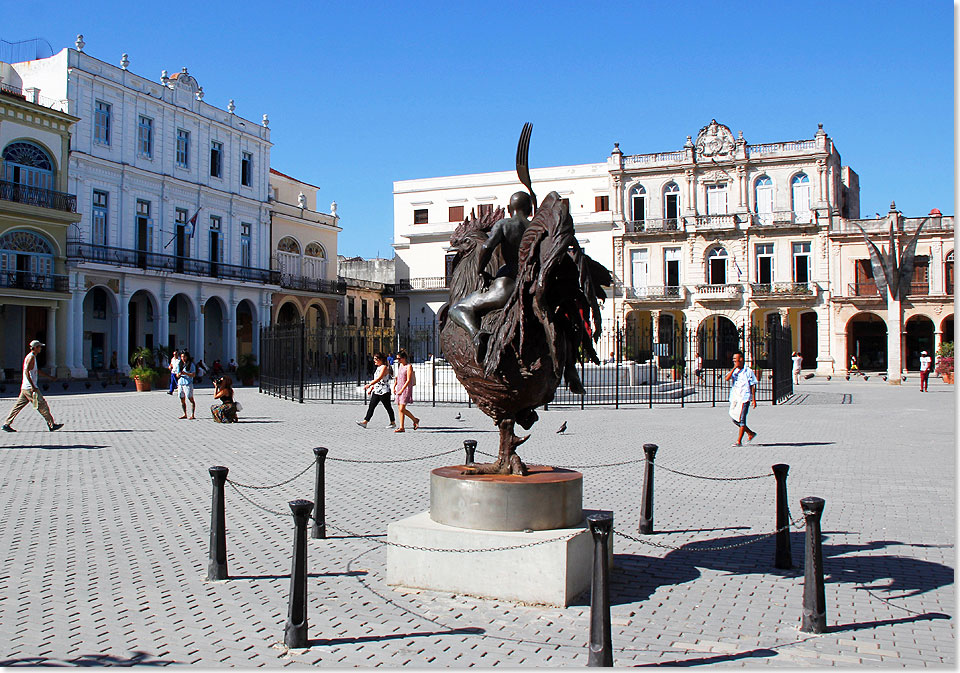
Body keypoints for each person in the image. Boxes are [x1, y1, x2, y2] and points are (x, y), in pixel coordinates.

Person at [448, 190, 532, 362]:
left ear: (509, 209)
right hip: (529, 282)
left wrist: (480, 271)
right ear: (530, 209)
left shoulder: (505, 224)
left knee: (456, 309)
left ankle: (477, 335)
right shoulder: (536, 228)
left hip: (507, 285)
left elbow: (486, 247)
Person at [3, 340, 63, 433]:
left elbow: (36, 371)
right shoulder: (31, 358)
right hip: (30, 388)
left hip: (25, 388)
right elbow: (27, 372)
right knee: (42, 405)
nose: (41, 349)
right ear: (35, 348)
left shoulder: (33, 357)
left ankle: (6, 424)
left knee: (17, 407)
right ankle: (51, 424)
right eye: (39, 347)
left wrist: (50, 377)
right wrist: (33, 386)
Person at [724, 351, 757, 447]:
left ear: (741, 359)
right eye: (733, 359)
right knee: (734, 419)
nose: (734, 361)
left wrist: (754, 399)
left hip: (744, 398)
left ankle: (739, 441)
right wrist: (734, 368)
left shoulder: (748, 371)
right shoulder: (735, 371)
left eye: (735, 359)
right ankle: (750, 433)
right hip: (735, 398)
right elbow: (727, 378)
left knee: (742, 419)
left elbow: (752, 385)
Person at [357, 352, 396, 429]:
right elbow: (376, 380)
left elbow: (379, 378)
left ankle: (393, 422)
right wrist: (372, 388)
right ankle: (365, 422)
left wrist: (369, 385)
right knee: (371, 406)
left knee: (388, 407)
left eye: (376, 359)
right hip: (377, 390)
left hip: (384, 391)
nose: (374, 360)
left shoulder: (384, 367)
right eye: (374, 359)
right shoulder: (378, 367)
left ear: (381, 360)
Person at [392, 349, 420, 432]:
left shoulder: (409, 366)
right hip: (399, 387)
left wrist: (402, 390)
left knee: (402, 408)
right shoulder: (400, 366)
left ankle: (415, 419)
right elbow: (398, 377)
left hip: (406, 388)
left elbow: (408, 380)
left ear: (404, 358)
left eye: (399, 358)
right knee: (399, 408)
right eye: (397, 359)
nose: (398, 360)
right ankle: (401, 427)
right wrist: (394, 386)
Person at [174, 351, 196, 419]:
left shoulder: (191, 364)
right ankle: (184, 414)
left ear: (187, 357)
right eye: (182, 357)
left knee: (190, 398)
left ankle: (192, 414)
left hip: (188, 383)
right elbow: (177, 375)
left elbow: (193, 374)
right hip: (181, 383)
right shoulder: (179, 364)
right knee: (182, 398)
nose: (183, 358)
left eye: (184, 357)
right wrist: (179, 374)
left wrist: (186, 374)